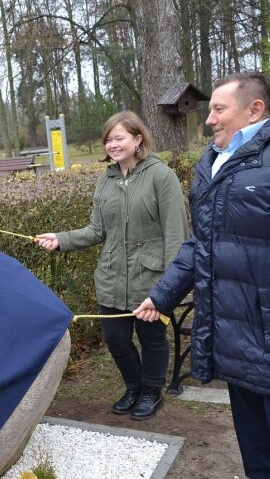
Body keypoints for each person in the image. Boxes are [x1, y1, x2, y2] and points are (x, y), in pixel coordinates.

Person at [134, 72, 270, 477]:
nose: (209, 120)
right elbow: (202, 241)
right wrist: (162, 295)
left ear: (255, 110)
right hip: (232, 333)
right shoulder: (213, 160)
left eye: (219, 109)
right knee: (256, 452)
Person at [36, 110, 188, 420]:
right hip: (112, 275)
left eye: (119, 138)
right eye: (108, 140)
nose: (113, 145)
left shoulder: (162, 176)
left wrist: (169, 288)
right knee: (116, 339)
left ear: (137, 139)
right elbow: (96, 231)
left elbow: (177, 236)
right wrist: (61, 239)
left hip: (151, 277)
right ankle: (133, 387)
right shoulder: (105, 181)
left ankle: (151, 391)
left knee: (152, 338)